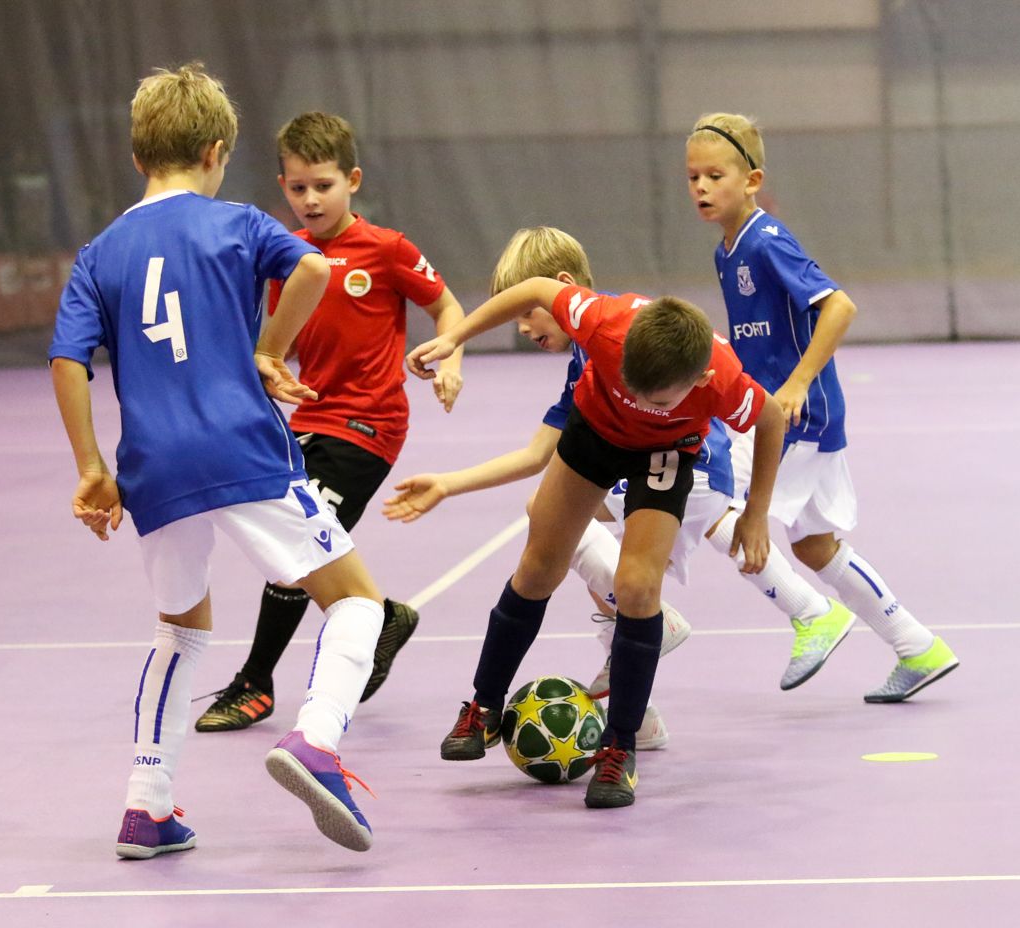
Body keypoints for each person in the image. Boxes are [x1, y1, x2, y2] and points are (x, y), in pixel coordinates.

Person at [49, 64, 383, 857]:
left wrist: (91, 467)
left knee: (181, 630)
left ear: (138, 157)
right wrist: (270, 349)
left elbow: (68, 361)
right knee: (357, 602)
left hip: (152, 467)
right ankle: (317, 739)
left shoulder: (99, 253)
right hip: (241, 447)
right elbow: (314, 267)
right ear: (215, 152)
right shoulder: (237, 222)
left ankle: (147, 806)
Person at [385, 226, 855, 710]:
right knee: (566, 525)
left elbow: (765, 415)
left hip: (692, 462)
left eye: (526, 313)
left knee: (597, 552)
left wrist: (757, 513)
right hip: (673, 465)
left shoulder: (611, 328)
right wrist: (448, 484)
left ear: (563, 287)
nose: (522, 327)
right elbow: (535, 455)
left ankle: (678, 625)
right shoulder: (584, 363)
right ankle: (652, 700)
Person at [407, 274, 786, 809]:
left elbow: (771, 419)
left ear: (699, 379)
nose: (640, 400)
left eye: (654, 397)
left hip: (664, 454)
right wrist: (454, 337)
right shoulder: (604, 322)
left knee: (636, 588)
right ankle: (484, 707)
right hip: (595, 433)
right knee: (539, 567)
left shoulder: (721, 378)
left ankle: (619, 747)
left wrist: (757, 513)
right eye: (631, 383)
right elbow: (535, 288)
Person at [194, 112, 466, 732]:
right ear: (282, 187)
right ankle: (382, 617)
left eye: (323, 185)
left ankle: (255, 684)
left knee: (298, 543)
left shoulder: (388, 249)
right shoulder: (288, 258)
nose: (311, 199)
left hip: (369, 424)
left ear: (353, 181)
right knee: (295, 542)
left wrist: (450, 358)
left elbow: (448, 306)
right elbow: (280, 348)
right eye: (298, 188)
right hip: (307, 420)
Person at [686, 112, 959, 704]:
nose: (702, 187)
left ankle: (813, 615)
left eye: (715, 175)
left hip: (795, 416)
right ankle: (919, 647)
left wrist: (798, 383)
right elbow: (761, 337)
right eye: (693, 177)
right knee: (813, 545)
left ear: (752, 180)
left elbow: (839, 307)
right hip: (788, 412)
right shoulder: (727, 252)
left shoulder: (766, 239)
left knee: (702, 497)